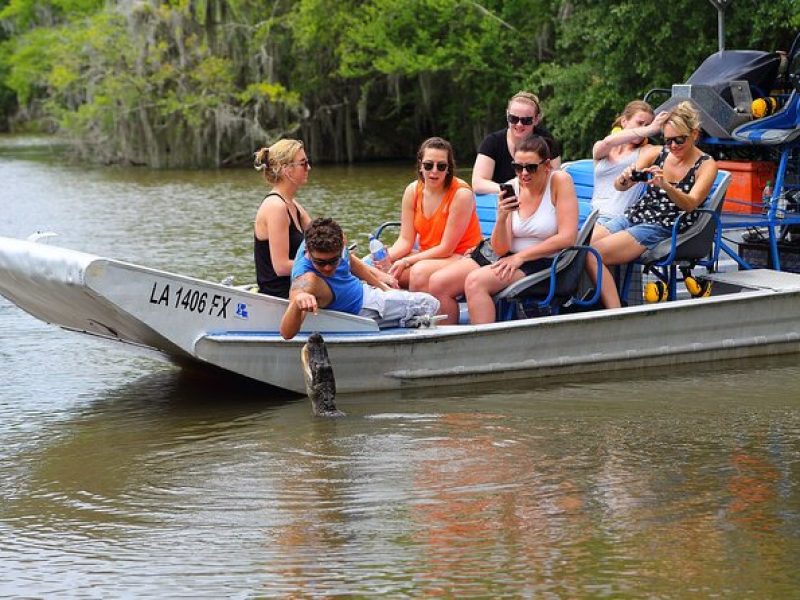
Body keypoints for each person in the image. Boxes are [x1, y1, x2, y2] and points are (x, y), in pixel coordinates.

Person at [429, 135, 579, 325]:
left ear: (547, 165)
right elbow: (500, 249)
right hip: (506, 254)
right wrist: (501, 217)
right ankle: (448, 344)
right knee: (438, 283)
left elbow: (568, 237)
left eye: (531, 167)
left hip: (543, 259)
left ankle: (484, 347)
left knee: (476, 282)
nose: (524, 174)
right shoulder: (511, 187)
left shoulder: (560, 181)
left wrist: (520, 257)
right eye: (518, 167)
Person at [586, 101, 718, 309]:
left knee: (593, 254)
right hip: (635, 215)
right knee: (580, 246)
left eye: (679, 140)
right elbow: (620, 186)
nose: (673, 146)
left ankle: (614, 312)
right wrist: (626, 178)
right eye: (668, 141)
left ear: (694, 134)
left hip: (662, 225)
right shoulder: (657, 153)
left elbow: (691, 204)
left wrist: (665, 185)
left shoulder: (706, 165)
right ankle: (599, 303)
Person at [280, 218, 440, 340]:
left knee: (414, 303)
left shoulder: (337, 240)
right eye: (320, 262)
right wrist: (297, 302)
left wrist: (383, 286)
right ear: (308, 250)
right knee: (431, 303)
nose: (327, 267)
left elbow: (352, 262)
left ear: (342, 244)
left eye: (333, 261)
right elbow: (286, 333)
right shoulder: (305, 279)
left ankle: (403, 321)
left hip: (367, 292)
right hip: (363, 310)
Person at [383, 137, 483, 292]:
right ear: (420, 165)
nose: (434, 171)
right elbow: (405, 240)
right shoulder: (413, 191)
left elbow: (446, 249)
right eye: (428, 165)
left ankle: (418, 311)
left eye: (441, 166)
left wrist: (406, 261)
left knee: (417, 272)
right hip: (430, 255)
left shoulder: (461, 194)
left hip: (463, 256)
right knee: (383, 268)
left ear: (449, 168)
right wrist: (383, 257)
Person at [253, 139, 313, 298]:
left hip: (301, 283)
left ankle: (381, 282)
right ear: (287, 170)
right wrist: (324, 264)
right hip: (281, 294)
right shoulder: (275, 207)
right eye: (303, 163)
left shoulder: (293, 205)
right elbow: (281, 266)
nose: (309, 168)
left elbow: (320, 236)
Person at [591, 100, 669, 224]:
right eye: (640, 123)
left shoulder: (646, 151)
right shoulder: (604, 147)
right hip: (593, 214)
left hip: (616, 218)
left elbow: (673, 149)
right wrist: (649, 129)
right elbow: (607, 142)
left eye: (648, 125)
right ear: (624, 121)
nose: (644, 128)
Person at [472, 91, 562, 194]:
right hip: (503, 202)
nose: (519, 124)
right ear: (507, 115)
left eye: (526, 120)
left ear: (536, 120)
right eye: (513, 119)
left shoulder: (547, 142)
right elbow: (477, 183)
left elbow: (556, 179)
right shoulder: (492, 142)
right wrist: (510, 188)